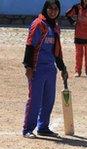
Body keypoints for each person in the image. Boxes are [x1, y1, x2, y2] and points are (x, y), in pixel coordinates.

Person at [22, 0, 68, 139]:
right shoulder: (38, 24)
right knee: (35, 100)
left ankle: (43, 127)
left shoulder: (55, 27)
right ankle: (27, 129)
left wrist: (62, 68)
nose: (53, 11)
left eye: (56, 8)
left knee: (48, 100)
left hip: (50, 69)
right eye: (50, 8)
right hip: (37, 68)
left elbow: (57, 50)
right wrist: (28, 66)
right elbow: (29, 45)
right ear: (45, 9)